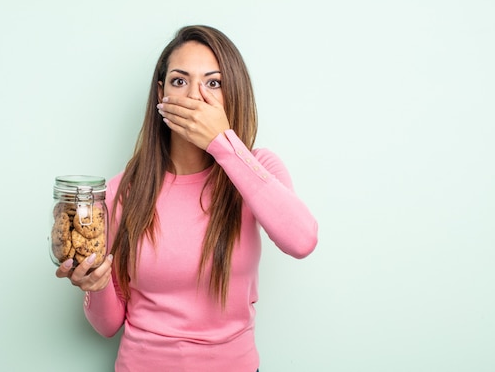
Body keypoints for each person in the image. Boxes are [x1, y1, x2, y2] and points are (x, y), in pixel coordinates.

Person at [56, 24, 318, 371]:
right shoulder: (125, 190)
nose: (196, 96)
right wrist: (96, 285)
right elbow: (107, 326)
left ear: (232, 93)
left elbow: (301, 241)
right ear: (161, 93)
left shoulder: (258, 168)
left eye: (213, 83)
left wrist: (222, 143)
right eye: (180, 81)